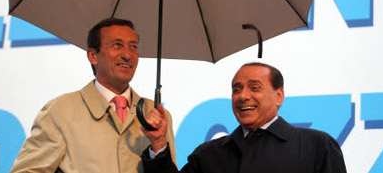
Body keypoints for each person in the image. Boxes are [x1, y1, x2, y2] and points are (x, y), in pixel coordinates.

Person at [9, 18, 176, 173]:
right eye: (117, 45)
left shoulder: (157, 115)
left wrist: (159, 145)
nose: (127, 54)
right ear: (93, 56)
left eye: (133, 46)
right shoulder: (60, 111)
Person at [141, 62, 346, 173]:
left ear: (279, 95)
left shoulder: (317, 146)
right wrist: (159, 143)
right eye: (236, 89)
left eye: (254, 88)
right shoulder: (209, 154)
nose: (243, 96)